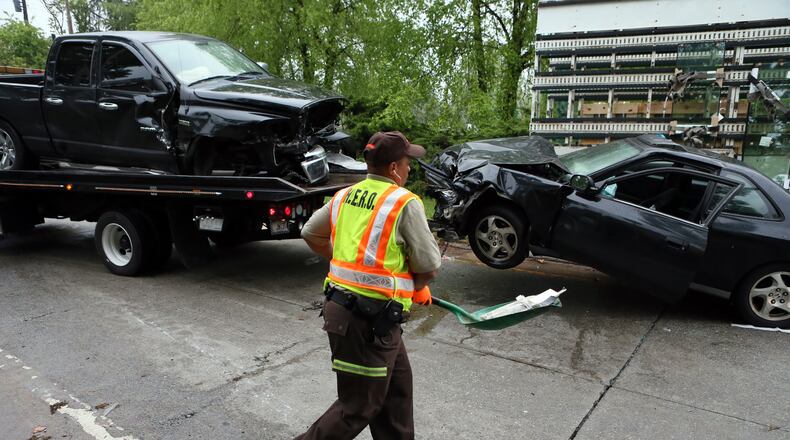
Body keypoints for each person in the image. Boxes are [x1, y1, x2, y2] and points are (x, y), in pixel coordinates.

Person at [295, 131, 442, 440]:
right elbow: (428, 265)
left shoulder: (345, 195)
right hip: (367, 322)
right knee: (358, 406)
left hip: (357, 315)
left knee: (396, 394)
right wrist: (418, 286)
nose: (409, 169)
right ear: (393, 169)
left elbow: (310, 232)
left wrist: (346, 261)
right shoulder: (404, 203)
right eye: (406, 163)